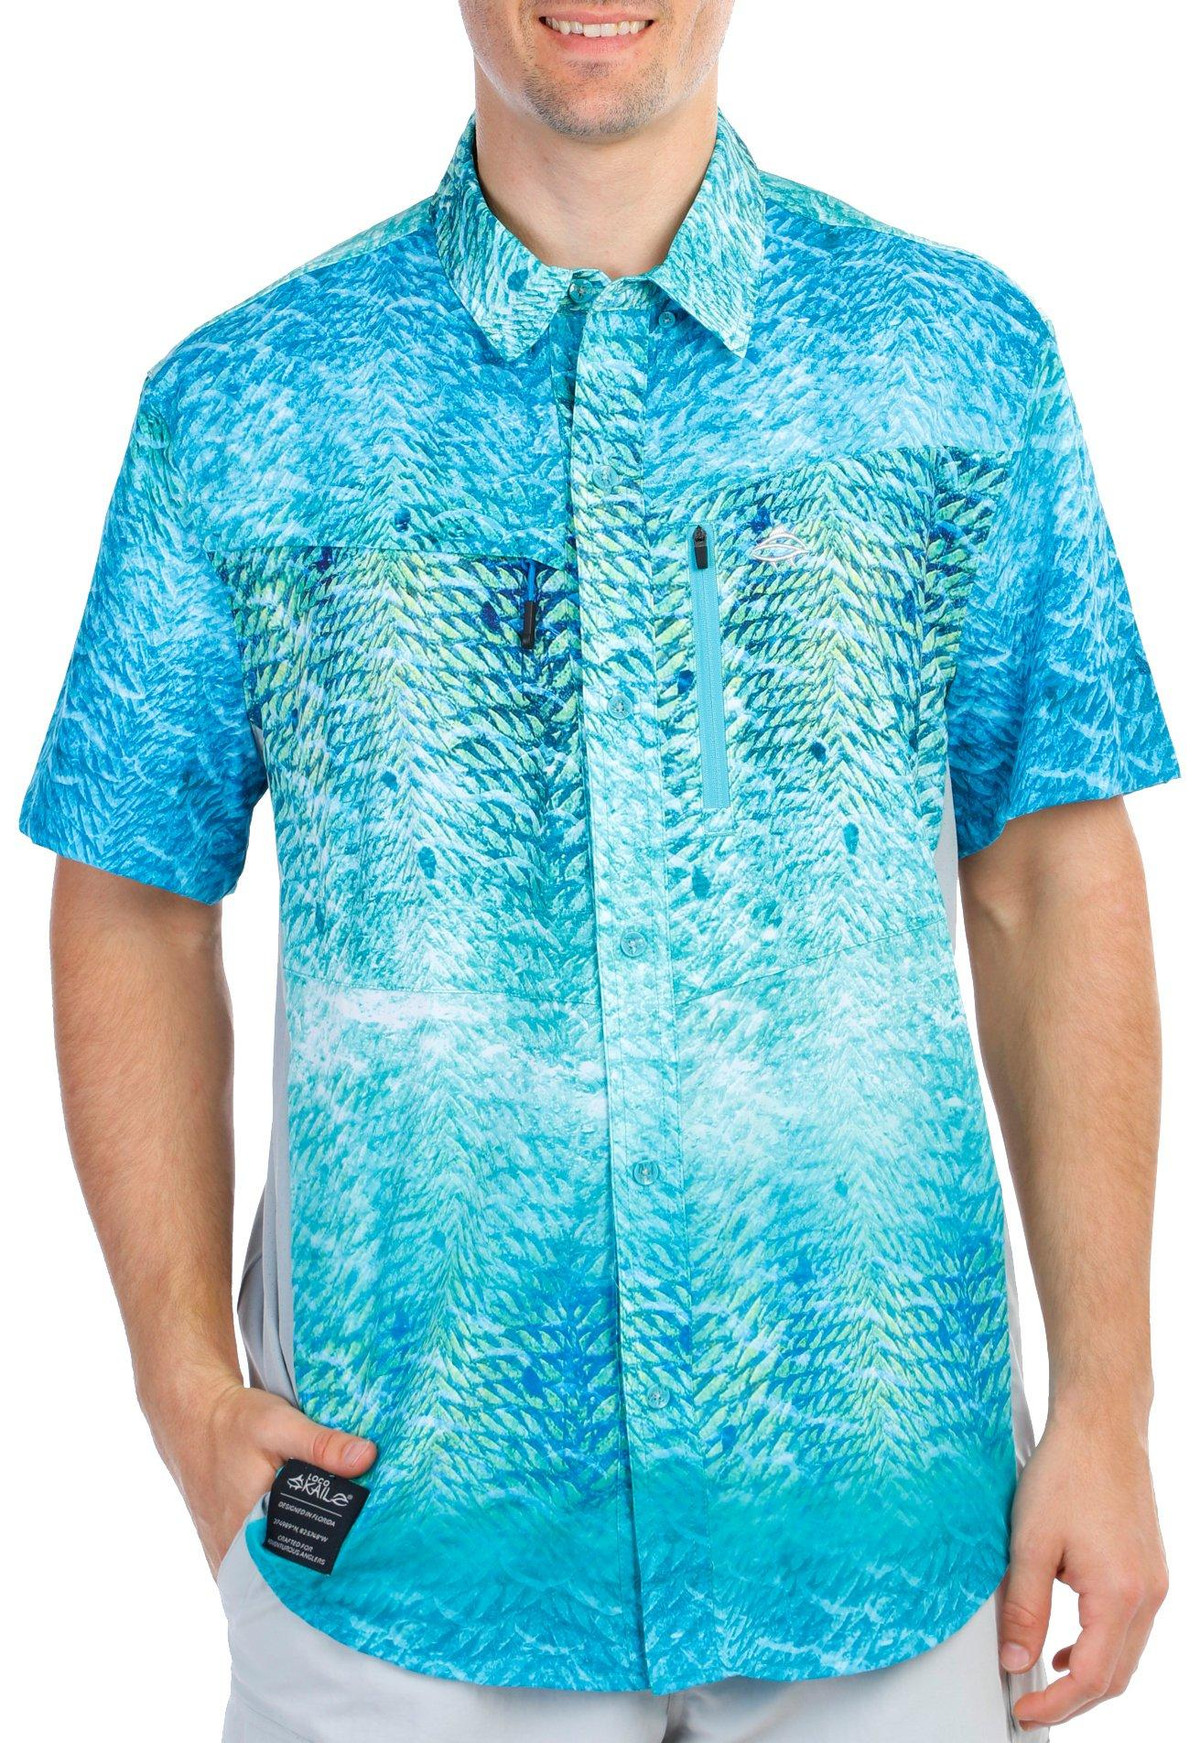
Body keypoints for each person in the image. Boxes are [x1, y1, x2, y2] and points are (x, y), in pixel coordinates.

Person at [19, 4, 1178, 1739]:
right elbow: (131, 892)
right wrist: (182, 1387)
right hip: (404, 1558)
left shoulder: (956, 365)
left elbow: (1050, 868)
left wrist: (1107, 1401)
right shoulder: (250, 407)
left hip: (882, 1525)